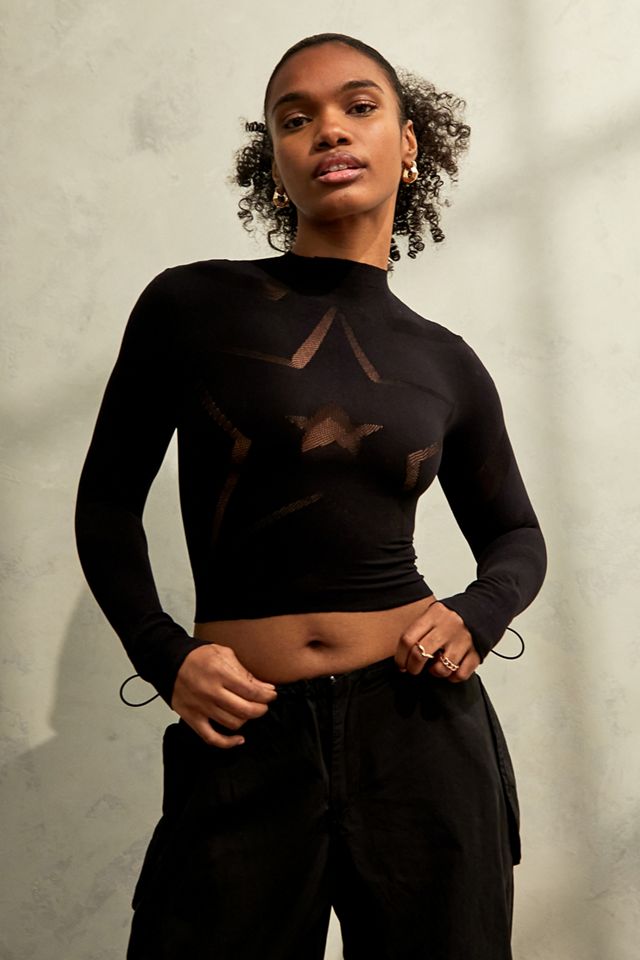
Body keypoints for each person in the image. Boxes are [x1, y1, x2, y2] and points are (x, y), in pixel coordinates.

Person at [75, 32, 546, 960]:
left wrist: (477, 614)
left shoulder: (446, 360)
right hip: (243, 732)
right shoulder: (190, 306)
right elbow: (106, 504)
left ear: (408, 144)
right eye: (295, 118)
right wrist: (164, 656)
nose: (328, 128)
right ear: (275, 159)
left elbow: (517, 534)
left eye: (359, 107)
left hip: (420, 733)